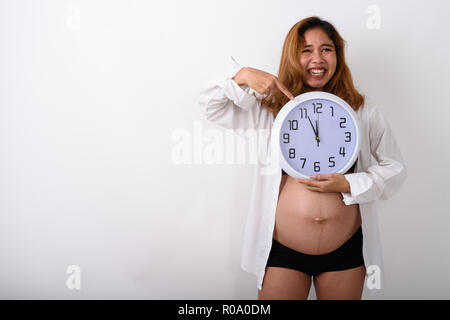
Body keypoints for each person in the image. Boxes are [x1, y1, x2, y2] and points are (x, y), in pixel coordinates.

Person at [198, 16, 407, 300]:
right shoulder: (270, 108)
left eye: (326, 49)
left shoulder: (361, 109)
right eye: (306, 50)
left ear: (337, 55)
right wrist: (243, 75)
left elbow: (395, 169)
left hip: (345, 254)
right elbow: (211, 106)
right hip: (282, 254)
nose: (317, 58)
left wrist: (348, 184)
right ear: (292, 56)